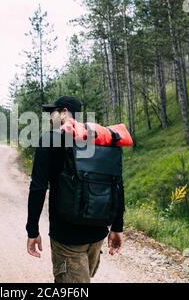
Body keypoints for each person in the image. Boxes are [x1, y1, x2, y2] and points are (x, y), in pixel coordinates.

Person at [25, 96, 125, 283]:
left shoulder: (50, 139)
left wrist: (32, 230)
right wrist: (117, 226)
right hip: (97, 234)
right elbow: (116, 183)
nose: (49, 117)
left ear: (63, 112)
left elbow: (38, 188)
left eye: (52, 112)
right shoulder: (97, 139)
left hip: (67, 237)